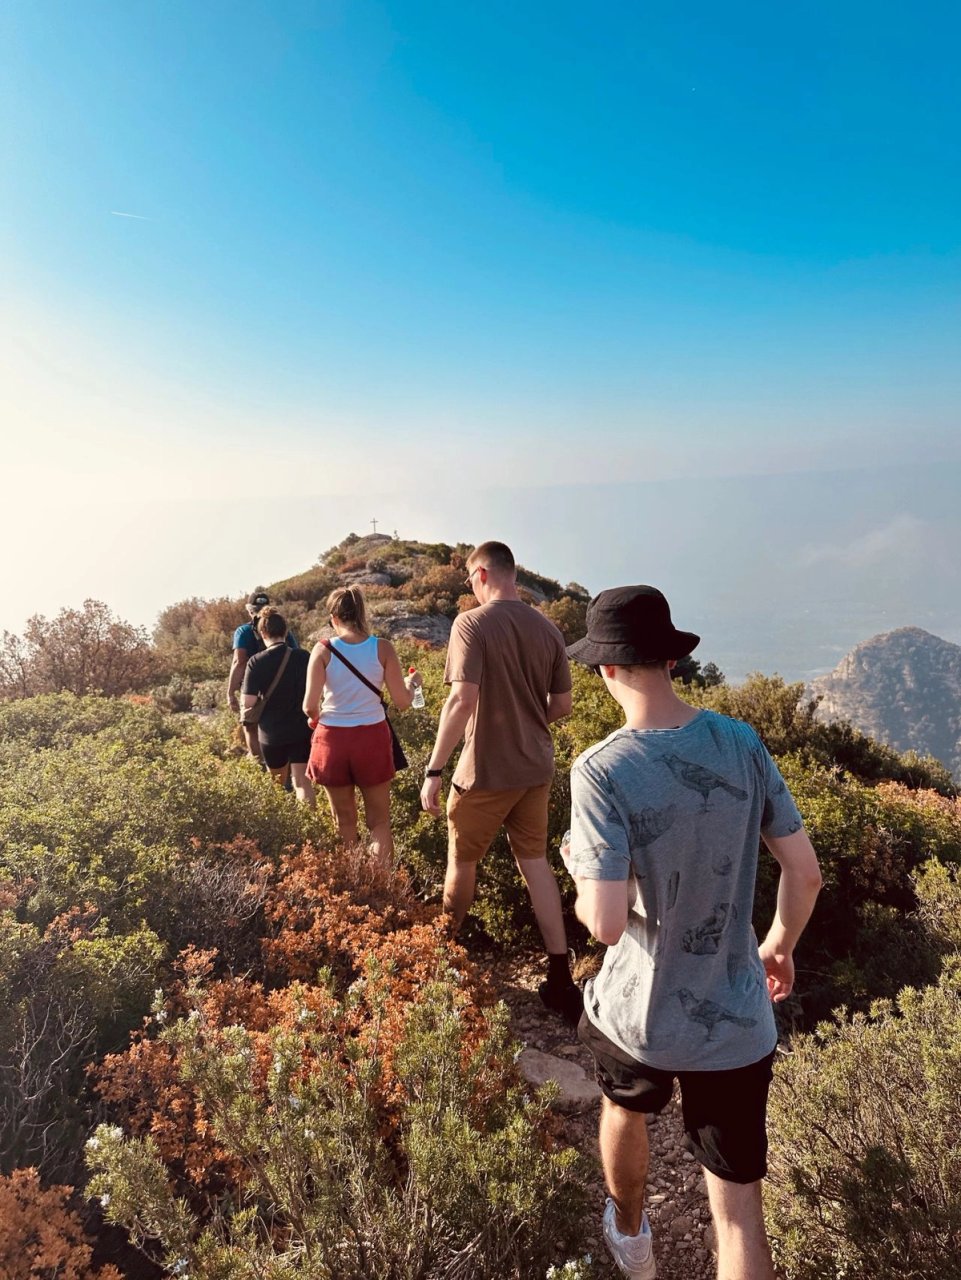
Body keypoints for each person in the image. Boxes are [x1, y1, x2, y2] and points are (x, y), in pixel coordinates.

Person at [562, 585, 822, 1280]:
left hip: (639, 1012)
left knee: (625, 1107)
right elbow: (805, 873)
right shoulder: (740, 741)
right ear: (671, 661)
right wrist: (778, 946)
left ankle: (630, 1236)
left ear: (605, 668)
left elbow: (604, 924)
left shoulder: (600, 770)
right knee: (738, 1219)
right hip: (734, 1014)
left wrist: (579, 870)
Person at [419, 540, 582, 1025]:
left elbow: (460, 701)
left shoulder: (470, 624)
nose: (470, 586)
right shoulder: (548, 629)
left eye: (470, 578)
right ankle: (560, 977)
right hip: (535, 769)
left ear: (484, 574)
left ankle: (440, 963)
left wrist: (433, 769)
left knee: (462, 861)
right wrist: (527, 721)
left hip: (484, 771)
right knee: (536, 864)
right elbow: (563, 705)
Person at [304, 585, 420, 866]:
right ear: (361, 614)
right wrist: (412, 684)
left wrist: (315, 718)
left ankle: (355, 885)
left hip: (331, 740)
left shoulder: (322, 650)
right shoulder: (382, 648)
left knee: (344, 822)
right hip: (372, 738)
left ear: (334, 618)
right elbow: (403, 702)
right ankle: (382, 884)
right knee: (379, 822)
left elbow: (309, 706)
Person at [240, 607, 315, 806]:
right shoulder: (303, 656)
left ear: (262, 633)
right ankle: (309, 823)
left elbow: (248, 702)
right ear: (286, 631)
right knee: (302, 784)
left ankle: (283, 822)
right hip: (301, 729)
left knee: (277, 786)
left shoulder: (256, 662)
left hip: (271, 734)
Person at [227, 589, 300, 761]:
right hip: (284, 686)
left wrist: (230, 692)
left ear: (249, 610)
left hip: (253, 688)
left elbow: (239, 662)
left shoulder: (243, 631)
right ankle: (286, 764)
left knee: (250, 725)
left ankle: (260, 763)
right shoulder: (282, 630)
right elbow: (295, 654)